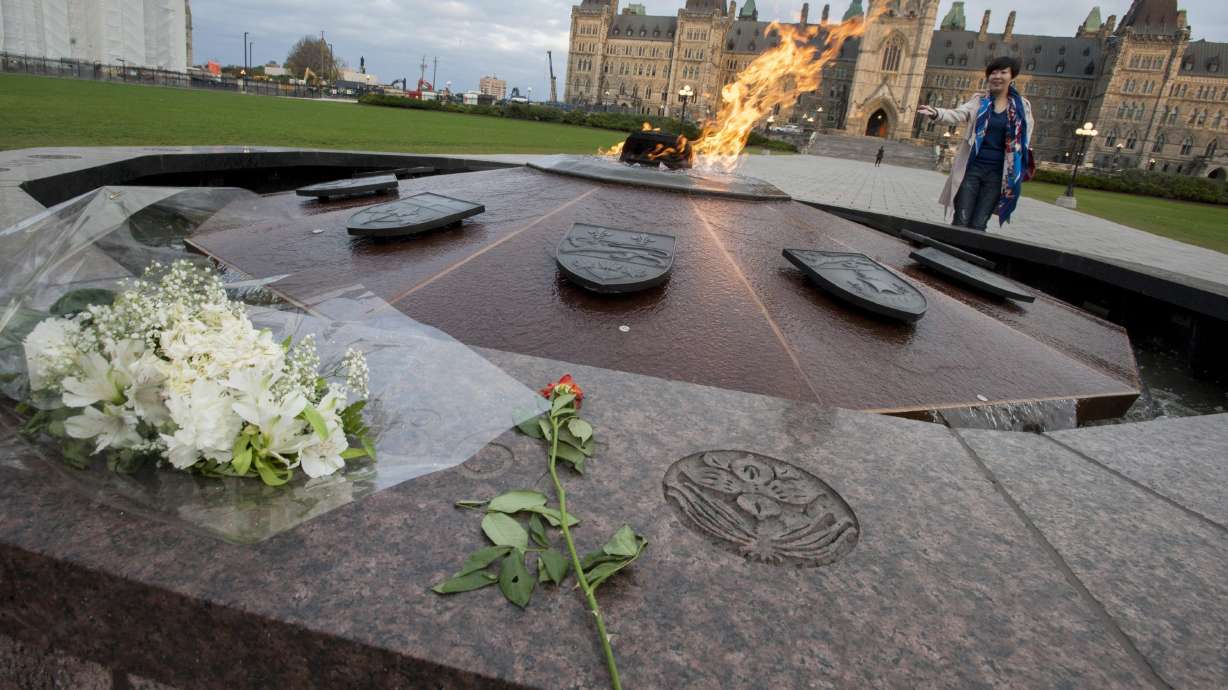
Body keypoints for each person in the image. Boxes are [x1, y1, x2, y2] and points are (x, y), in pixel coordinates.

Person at [917, 56, 1035, 231]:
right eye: (993, 72)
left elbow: (1024, 141)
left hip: (998, 174)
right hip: (972, 169)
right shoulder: (979, 101)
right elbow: (958, 114)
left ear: (1012, 77)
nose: (997, 76)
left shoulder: (1022, 107)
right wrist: (936, 113)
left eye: (1003, 72)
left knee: (979, 224)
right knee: (961, 220)